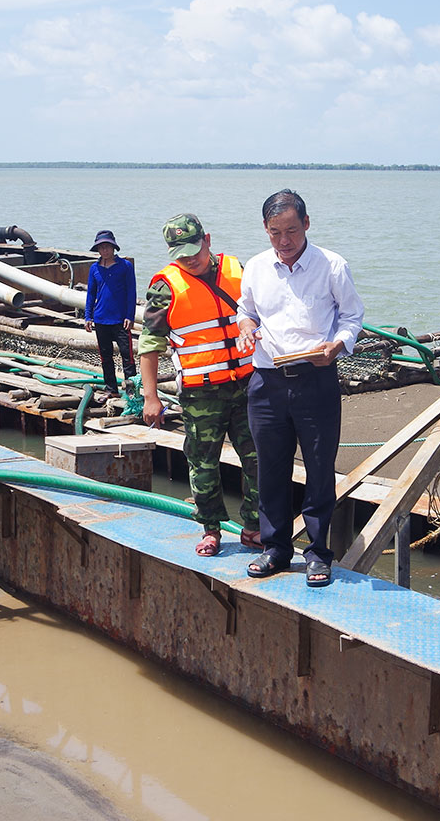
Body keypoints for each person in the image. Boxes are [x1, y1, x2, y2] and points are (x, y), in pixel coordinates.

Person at [236, 189, 364, 587]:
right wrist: (245, 328)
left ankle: (318, 552)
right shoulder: (256, 267)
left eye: (291, 230)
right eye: (275, 232)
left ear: (307, 224)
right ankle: (275, 548)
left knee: (319, 467)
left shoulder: (332, 265)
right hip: (266, 382)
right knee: (269, 468)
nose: (284, 240)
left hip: (316, 378)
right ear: (265, 229)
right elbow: (246, 310)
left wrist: (338, 345)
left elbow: (353, 315)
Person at [138, 214, 260, 556]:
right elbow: (149, 345)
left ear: (207, 239)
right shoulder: (164, 286)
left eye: (195, 248)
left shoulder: (240, 270)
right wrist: (151, 397)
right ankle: (211, 529)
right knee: (203, 463)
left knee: (259, 459)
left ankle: (253, 526)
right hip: (200, 392)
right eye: (181, 252)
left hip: (249, 385)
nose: (190, 258)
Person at [83, 229, 137, 399]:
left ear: (114, 248)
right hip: (100, 319)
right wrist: (87, 317)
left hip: (121, 320)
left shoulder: (125, 266)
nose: (104, 251)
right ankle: (111, 389)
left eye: (107, 247)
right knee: (106, 357)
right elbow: (91, 293)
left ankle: (131, 391)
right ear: (98, 249)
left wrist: (130, 315)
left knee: (127, 357)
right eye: (101, 248)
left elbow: (132, 292)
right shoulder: (94, 269)